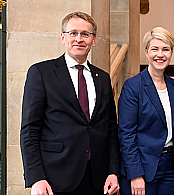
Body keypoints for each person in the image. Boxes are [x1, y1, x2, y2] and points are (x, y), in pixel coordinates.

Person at [20, 11, 120, 195]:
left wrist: (114, 171)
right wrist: (36, 178)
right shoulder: (42, 73)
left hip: (97, 179)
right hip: (55, 178)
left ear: (94, 40)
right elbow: (29, 130)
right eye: (73, 33)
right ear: (63, 37)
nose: (79, 39)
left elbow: (111, 130)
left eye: (85, 34)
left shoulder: (103, 78)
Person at [118, 27, 174, 195]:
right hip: (142, 166)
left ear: (171, 52)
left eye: (165, 49)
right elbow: (126, 133)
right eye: (154, 49)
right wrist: (135, 174)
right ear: (146, 51)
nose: (160, 54)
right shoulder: (133, 86)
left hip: (171, 168)